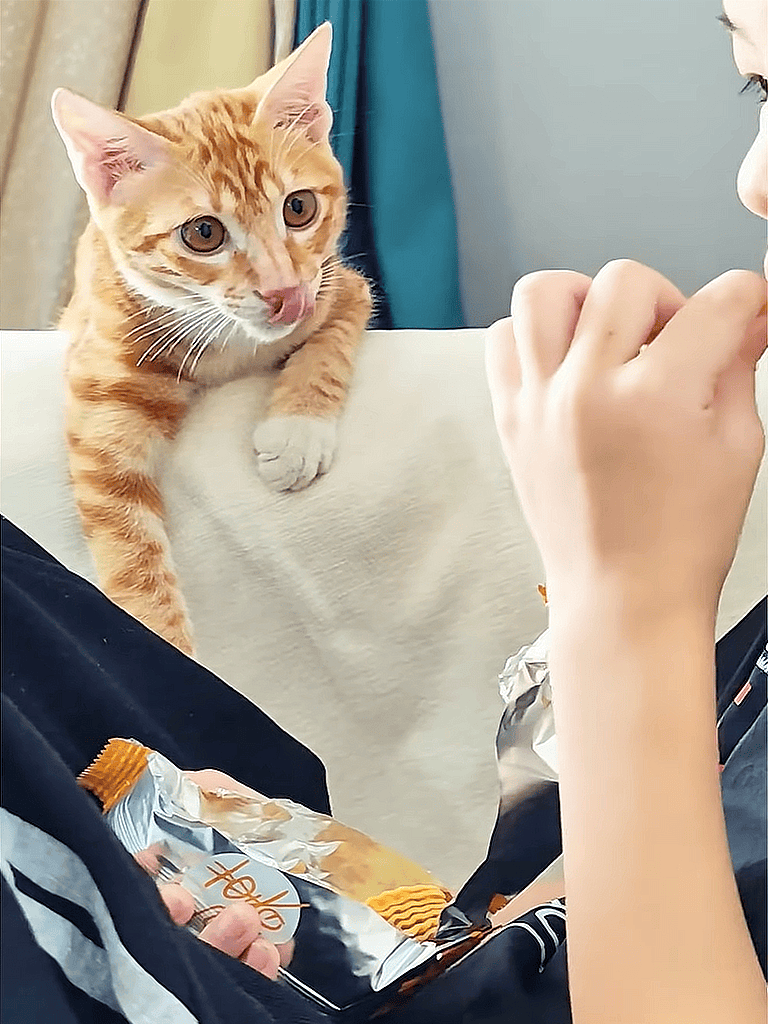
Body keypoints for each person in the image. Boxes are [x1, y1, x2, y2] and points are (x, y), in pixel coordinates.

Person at [1, 2, 766, 1022]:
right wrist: (320, 933)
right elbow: (554, 899)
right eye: (753, 84)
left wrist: (627, 602)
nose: (751, 177)